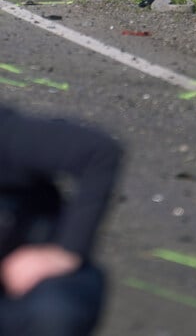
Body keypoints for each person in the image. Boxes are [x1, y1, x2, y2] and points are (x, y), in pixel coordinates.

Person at [0, 106, 122, 336]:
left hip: (28, 285)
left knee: (54, 313)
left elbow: (99, 152)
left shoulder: (7, 134)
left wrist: (67, 250)